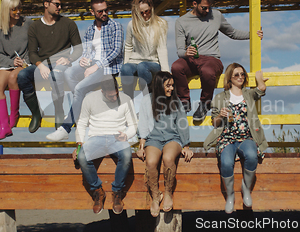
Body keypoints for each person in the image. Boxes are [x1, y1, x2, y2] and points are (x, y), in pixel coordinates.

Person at [172, 0, 263, 121]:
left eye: (209, 7)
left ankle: (205, 104)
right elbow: (179, 51)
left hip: (211, 59)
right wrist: (186, 53)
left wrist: (253, 35)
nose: (208, 11)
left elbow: (233, 33)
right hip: (191, 59)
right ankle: (184, 101)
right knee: (176, 67)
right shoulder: (181, 22)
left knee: (207, 71)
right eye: (204, 8)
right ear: (194, 4)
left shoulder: (217, 15)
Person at [46, 0, 124, 141]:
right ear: (92, 12)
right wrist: (84, 60)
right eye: (100, 11)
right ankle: (83, 106)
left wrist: (96, 66)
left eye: (106, 10)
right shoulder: (89, 30)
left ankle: (66, 127)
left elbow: (116, 51)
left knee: (80, 88)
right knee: (69, 72)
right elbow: (88, 51)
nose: (104, 13)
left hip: (107, 68)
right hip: (92, 65)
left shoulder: (116, 26)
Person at [203, 63, 268, 213]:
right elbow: (215, 123)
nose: (240, 77)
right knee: (226, 162)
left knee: (252, 155)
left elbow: (261, 90)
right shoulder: (220, 97)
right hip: (227, 138)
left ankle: (246, 189)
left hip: (246, 137)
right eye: (236, 75)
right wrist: (220, 115)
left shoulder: (248, 94)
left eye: (242, 74)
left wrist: (259, 78)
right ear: (230, 78)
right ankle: (230, 196)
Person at [17, 0, 83, 133]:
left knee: (56, 75)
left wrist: (69, 59)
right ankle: (36, 113)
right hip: (43, 65)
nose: (60, 7)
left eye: (61, 4)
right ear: (46, 4)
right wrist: (40, 65)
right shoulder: (35, 27)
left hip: (62, 65)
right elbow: (32, 52)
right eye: (56, 4)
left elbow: (79, 49)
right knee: (22, 76)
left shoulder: (69, 24)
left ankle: (59, 110)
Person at [72, 78, 137, 215]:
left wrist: (126, 135)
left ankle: (117, 192)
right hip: (96, 136)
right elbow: (82, 123)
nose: (114, 98)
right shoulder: (90, 99)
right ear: (102, 91)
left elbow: (133, 125)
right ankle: (98, 191)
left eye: (116, 94)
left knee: (126, 156)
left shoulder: (125, 99)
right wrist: (79, 144)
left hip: (117, 136)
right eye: (110, 95)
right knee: (82, 157)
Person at [136, 71, 193, 217]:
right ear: (159, 85)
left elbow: (182, 124)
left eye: (172, 85)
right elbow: (142, 123)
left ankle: (168, 193)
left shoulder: (176, 101)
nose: (171, 89)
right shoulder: (147, 100)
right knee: (151, 161)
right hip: (153, 139)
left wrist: (186, 145)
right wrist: (141, 145)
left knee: (168, 159)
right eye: (168, 86)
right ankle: (156, 196)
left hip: (172, 138)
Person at [0, 0, 32, 140]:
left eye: (19, 8)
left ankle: (14, 113)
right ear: (6, 11)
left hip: (24, 63)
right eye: (14, 9)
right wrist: (11, 62)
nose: (18, 12)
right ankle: (4, 127)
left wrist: (25, 61)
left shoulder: (27, 23)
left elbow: (35, 44)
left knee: (13, 77)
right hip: (7, 64)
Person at [120, 0, 169, 99]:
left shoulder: (160, 24)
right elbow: (128, 46)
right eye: (141, 13)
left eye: (147, 11)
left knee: (143, 66)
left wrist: (166, 73)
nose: (145, 15)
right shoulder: (132, 25)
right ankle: (128, 102)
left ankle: (148, 99)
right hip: (135, 62)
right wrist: (126, 65)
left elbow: (162, 48)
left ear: (151, 8)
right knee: (125, 68)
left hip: (153, 64)